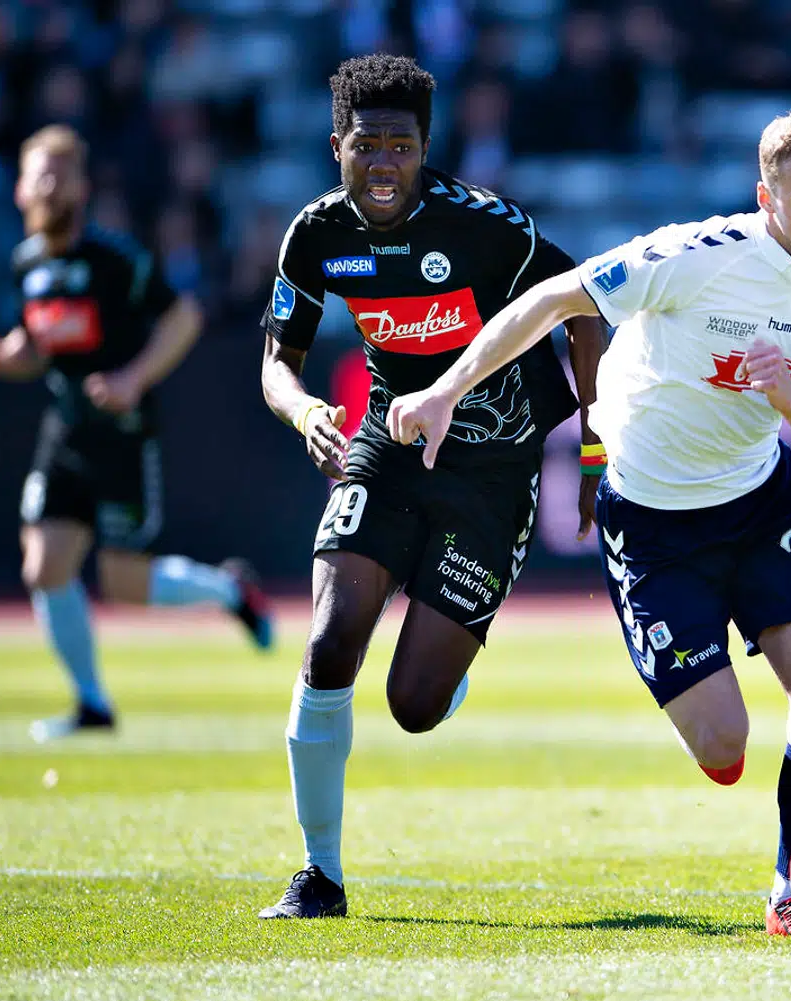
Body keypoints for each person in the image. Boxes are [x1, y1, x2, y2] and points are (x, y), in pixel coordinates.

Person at [388, 109, 791, 938]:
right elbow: (557, 298)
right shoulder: (697, 257)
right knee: (723, 751)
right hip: (650, 519)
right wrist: (445, 389)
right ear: (764, 198)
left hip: (759, 500)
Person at [256, 54, 607, 919]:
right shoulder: (316, 235)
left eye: (401, 147)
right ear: (336, 145)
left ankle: (450, 644)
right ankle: (319, 874)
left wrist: (595, 446)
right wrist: (303, 412)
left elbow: (589, 307)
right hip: (388, 441)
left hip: (494, 468)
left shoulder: (485, 228)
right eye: (366, 144)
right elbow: (277, 362)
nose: (383, 164)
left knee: (412, 706)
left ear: (425, 150)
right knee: (332, 640)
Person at [0, 124, 276, 743]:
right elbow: (40, 343)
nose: (49, 184)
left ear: (80, 187)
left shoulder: (115, 259)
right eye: (39, 172)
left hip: (123, 435)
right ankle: (92, 704)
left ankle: (229, 589)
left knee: (121, 583)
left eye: (61, 172)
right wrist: (1, 357)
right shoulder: (28, 264)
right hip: (66, 429)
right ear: (21, 189)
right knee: (44, 567)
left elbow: (183, 317)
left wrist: (134, 378)